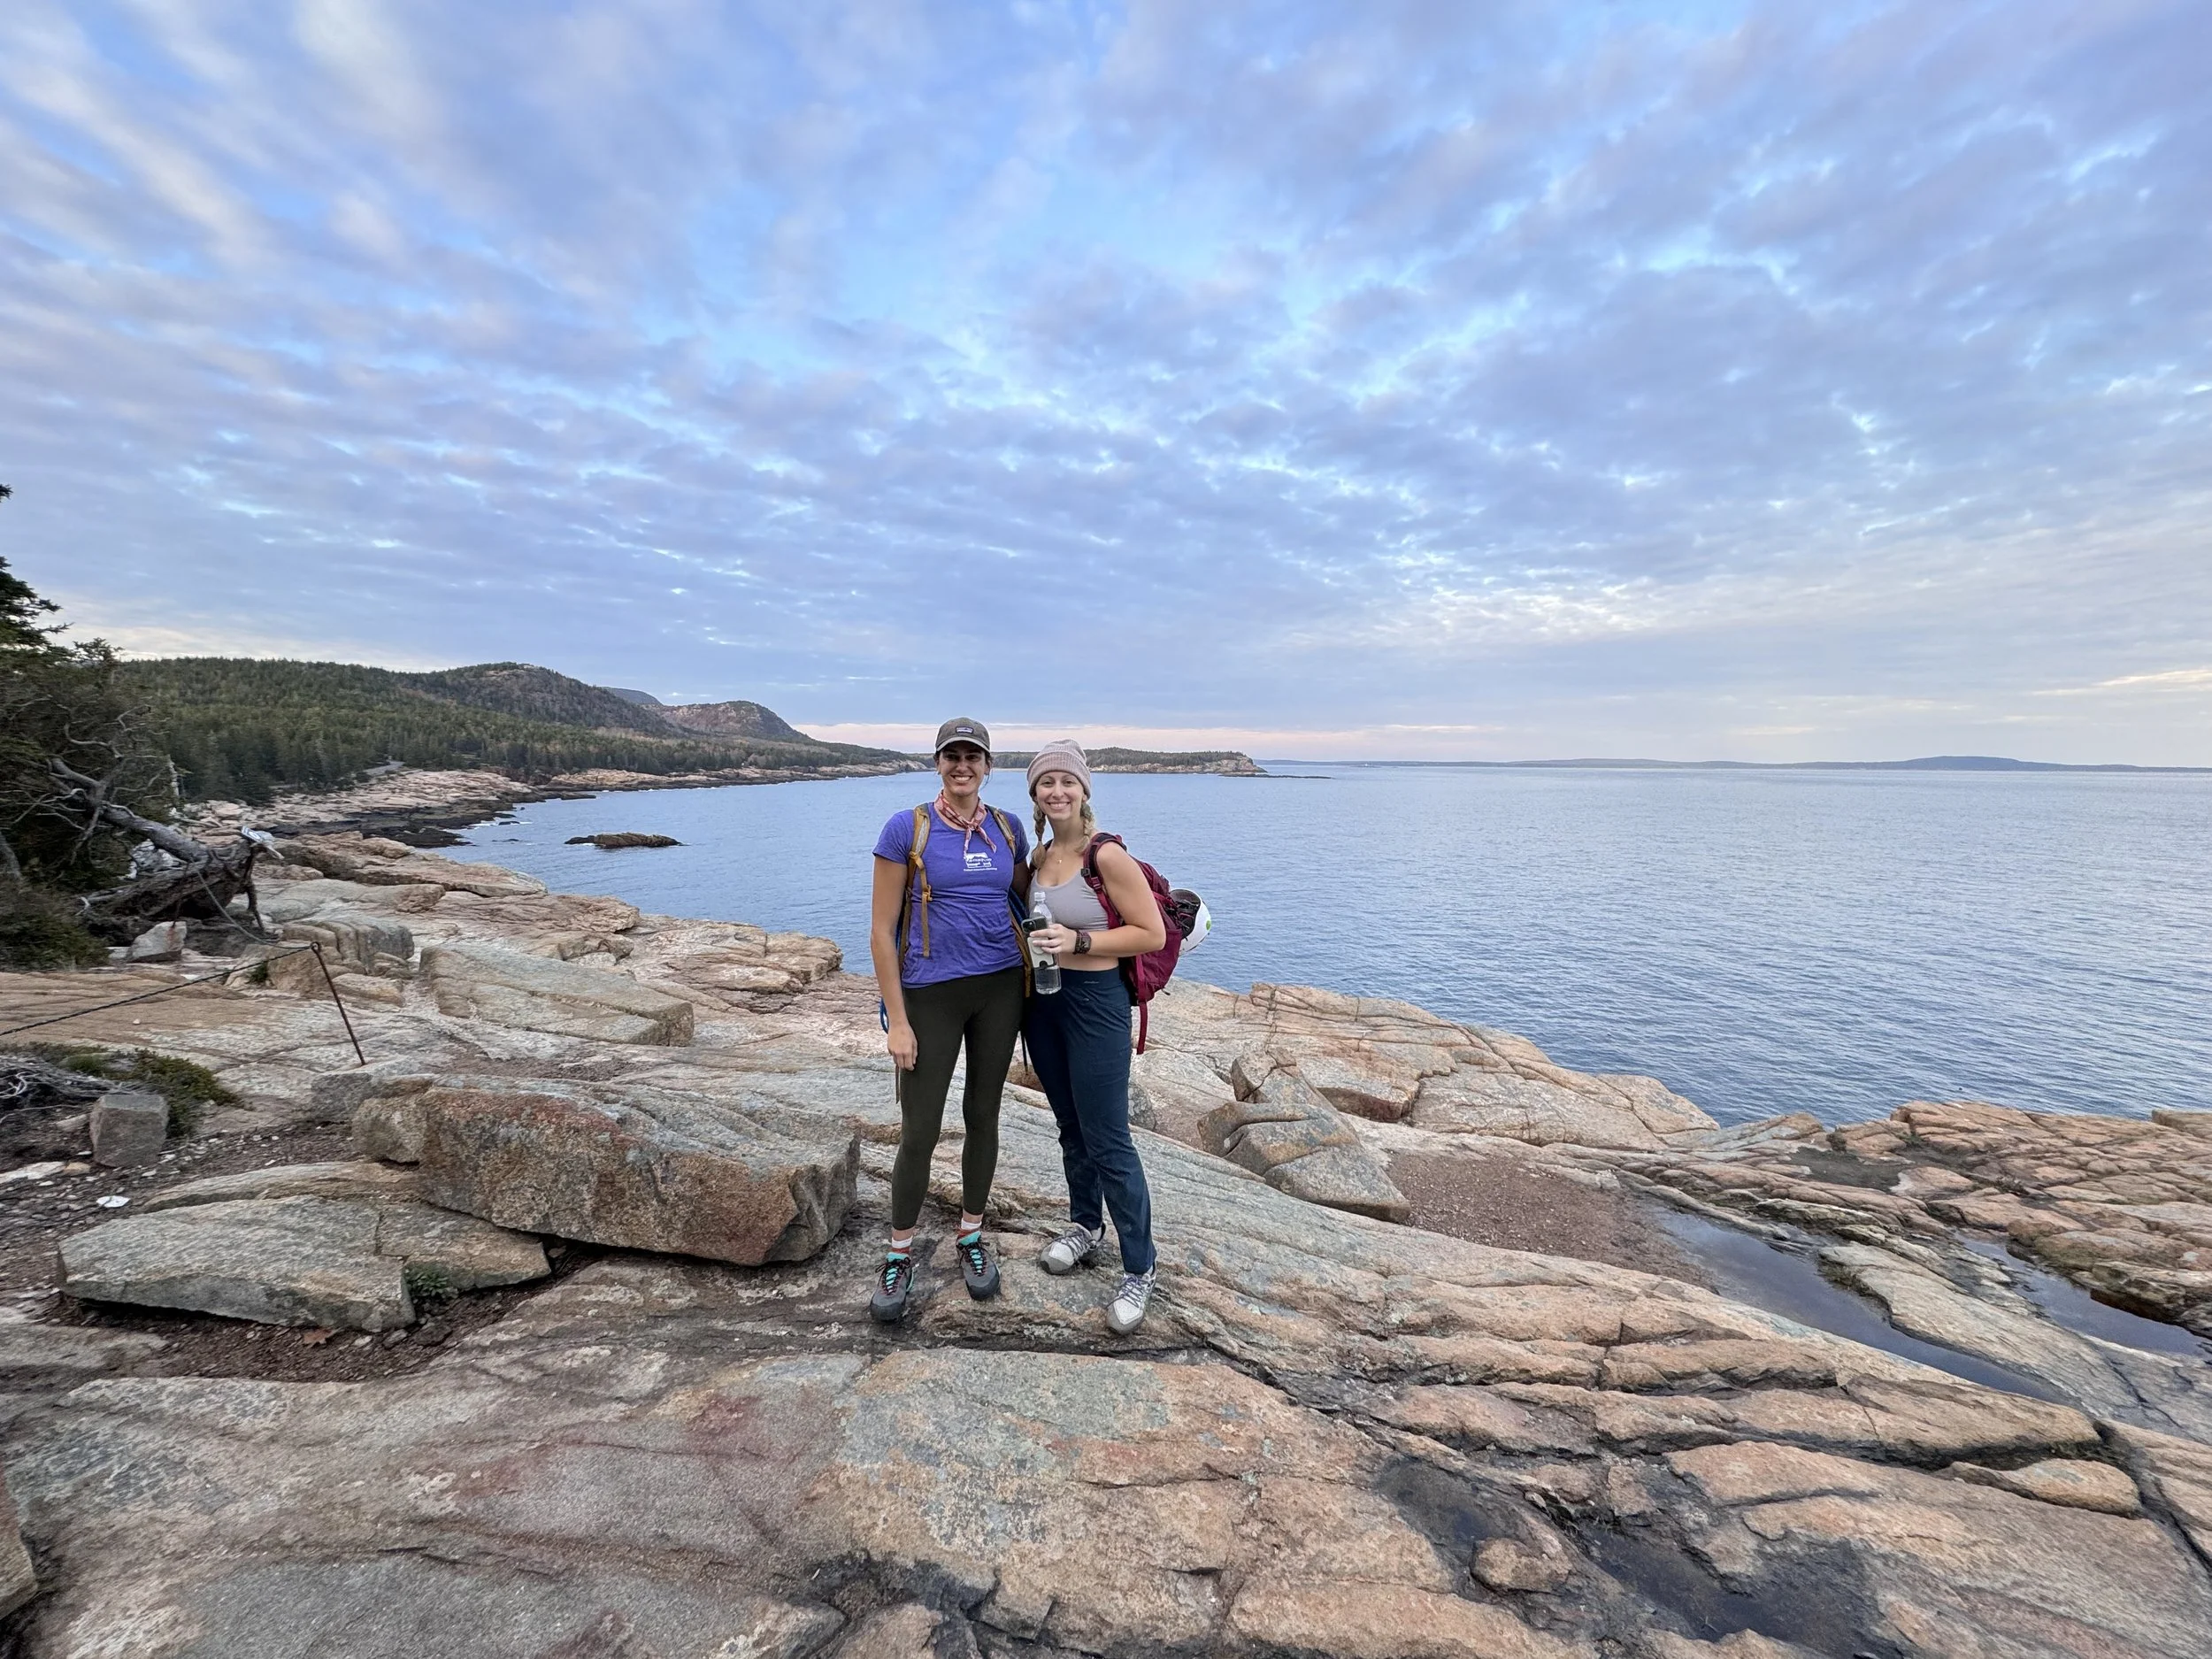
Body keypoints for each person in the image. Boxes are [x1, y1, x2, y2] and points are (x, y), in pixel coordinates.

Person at [866, 718, 1031, 1323]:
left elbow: (1032, 897)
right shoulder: (907, 827)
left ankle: (969, 1235)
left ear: (988, 764)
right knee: (920, 1128)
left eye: (973, 755)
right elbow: (882, 932)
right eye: (952, 755)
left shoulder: (1008, 828)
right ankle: (900, 1252)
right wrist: (897, 1021)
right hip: (930, 993)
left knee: (983, 1114)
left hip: (999, 989)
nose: (963, 765)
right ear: (938, 762)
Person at [1022, 740, 1168, 1334]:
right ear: (1033, 794)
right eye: (1045, 782)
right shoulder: (1038, 856)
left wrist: (1080, 943)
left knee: (1109, 1138)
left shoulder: (1105, 856)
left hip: (1098, 1003)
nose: (1057, 791)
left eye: (1067, 782)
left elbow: (1150, 933)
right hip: (1044, 1003)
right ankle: (1086, 1224)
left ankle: (1141, 1265)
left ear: (1084, 791)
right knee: (1070, 1126)